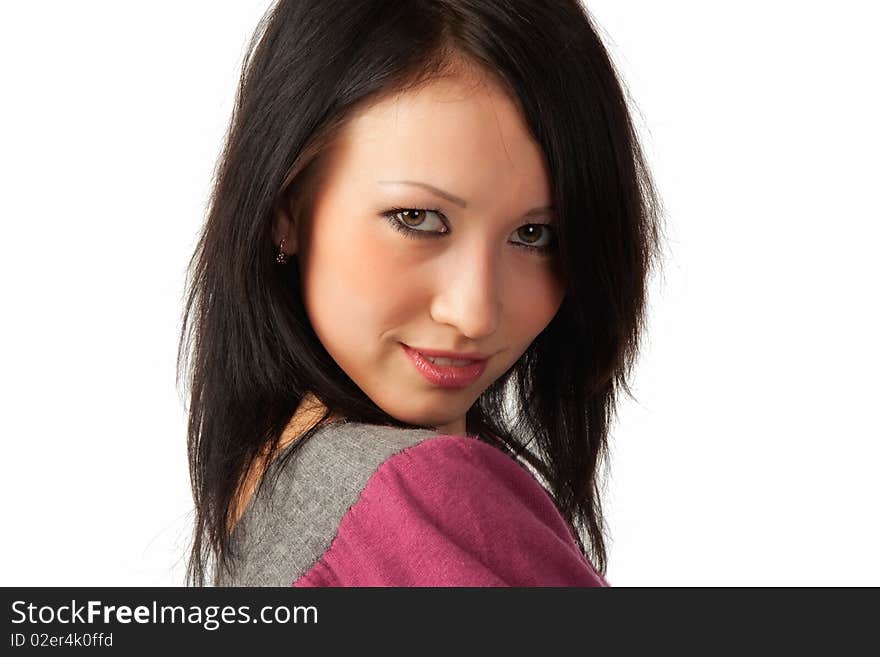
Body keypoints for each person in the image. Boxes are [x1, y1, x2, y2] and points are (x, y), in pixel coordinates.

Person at [178, 0, 662, 587]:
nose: (474, 312)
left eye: (535, 235)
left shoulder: (268, 491)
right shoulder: (412, 499)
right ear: (286, 207)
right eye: (417, 218)